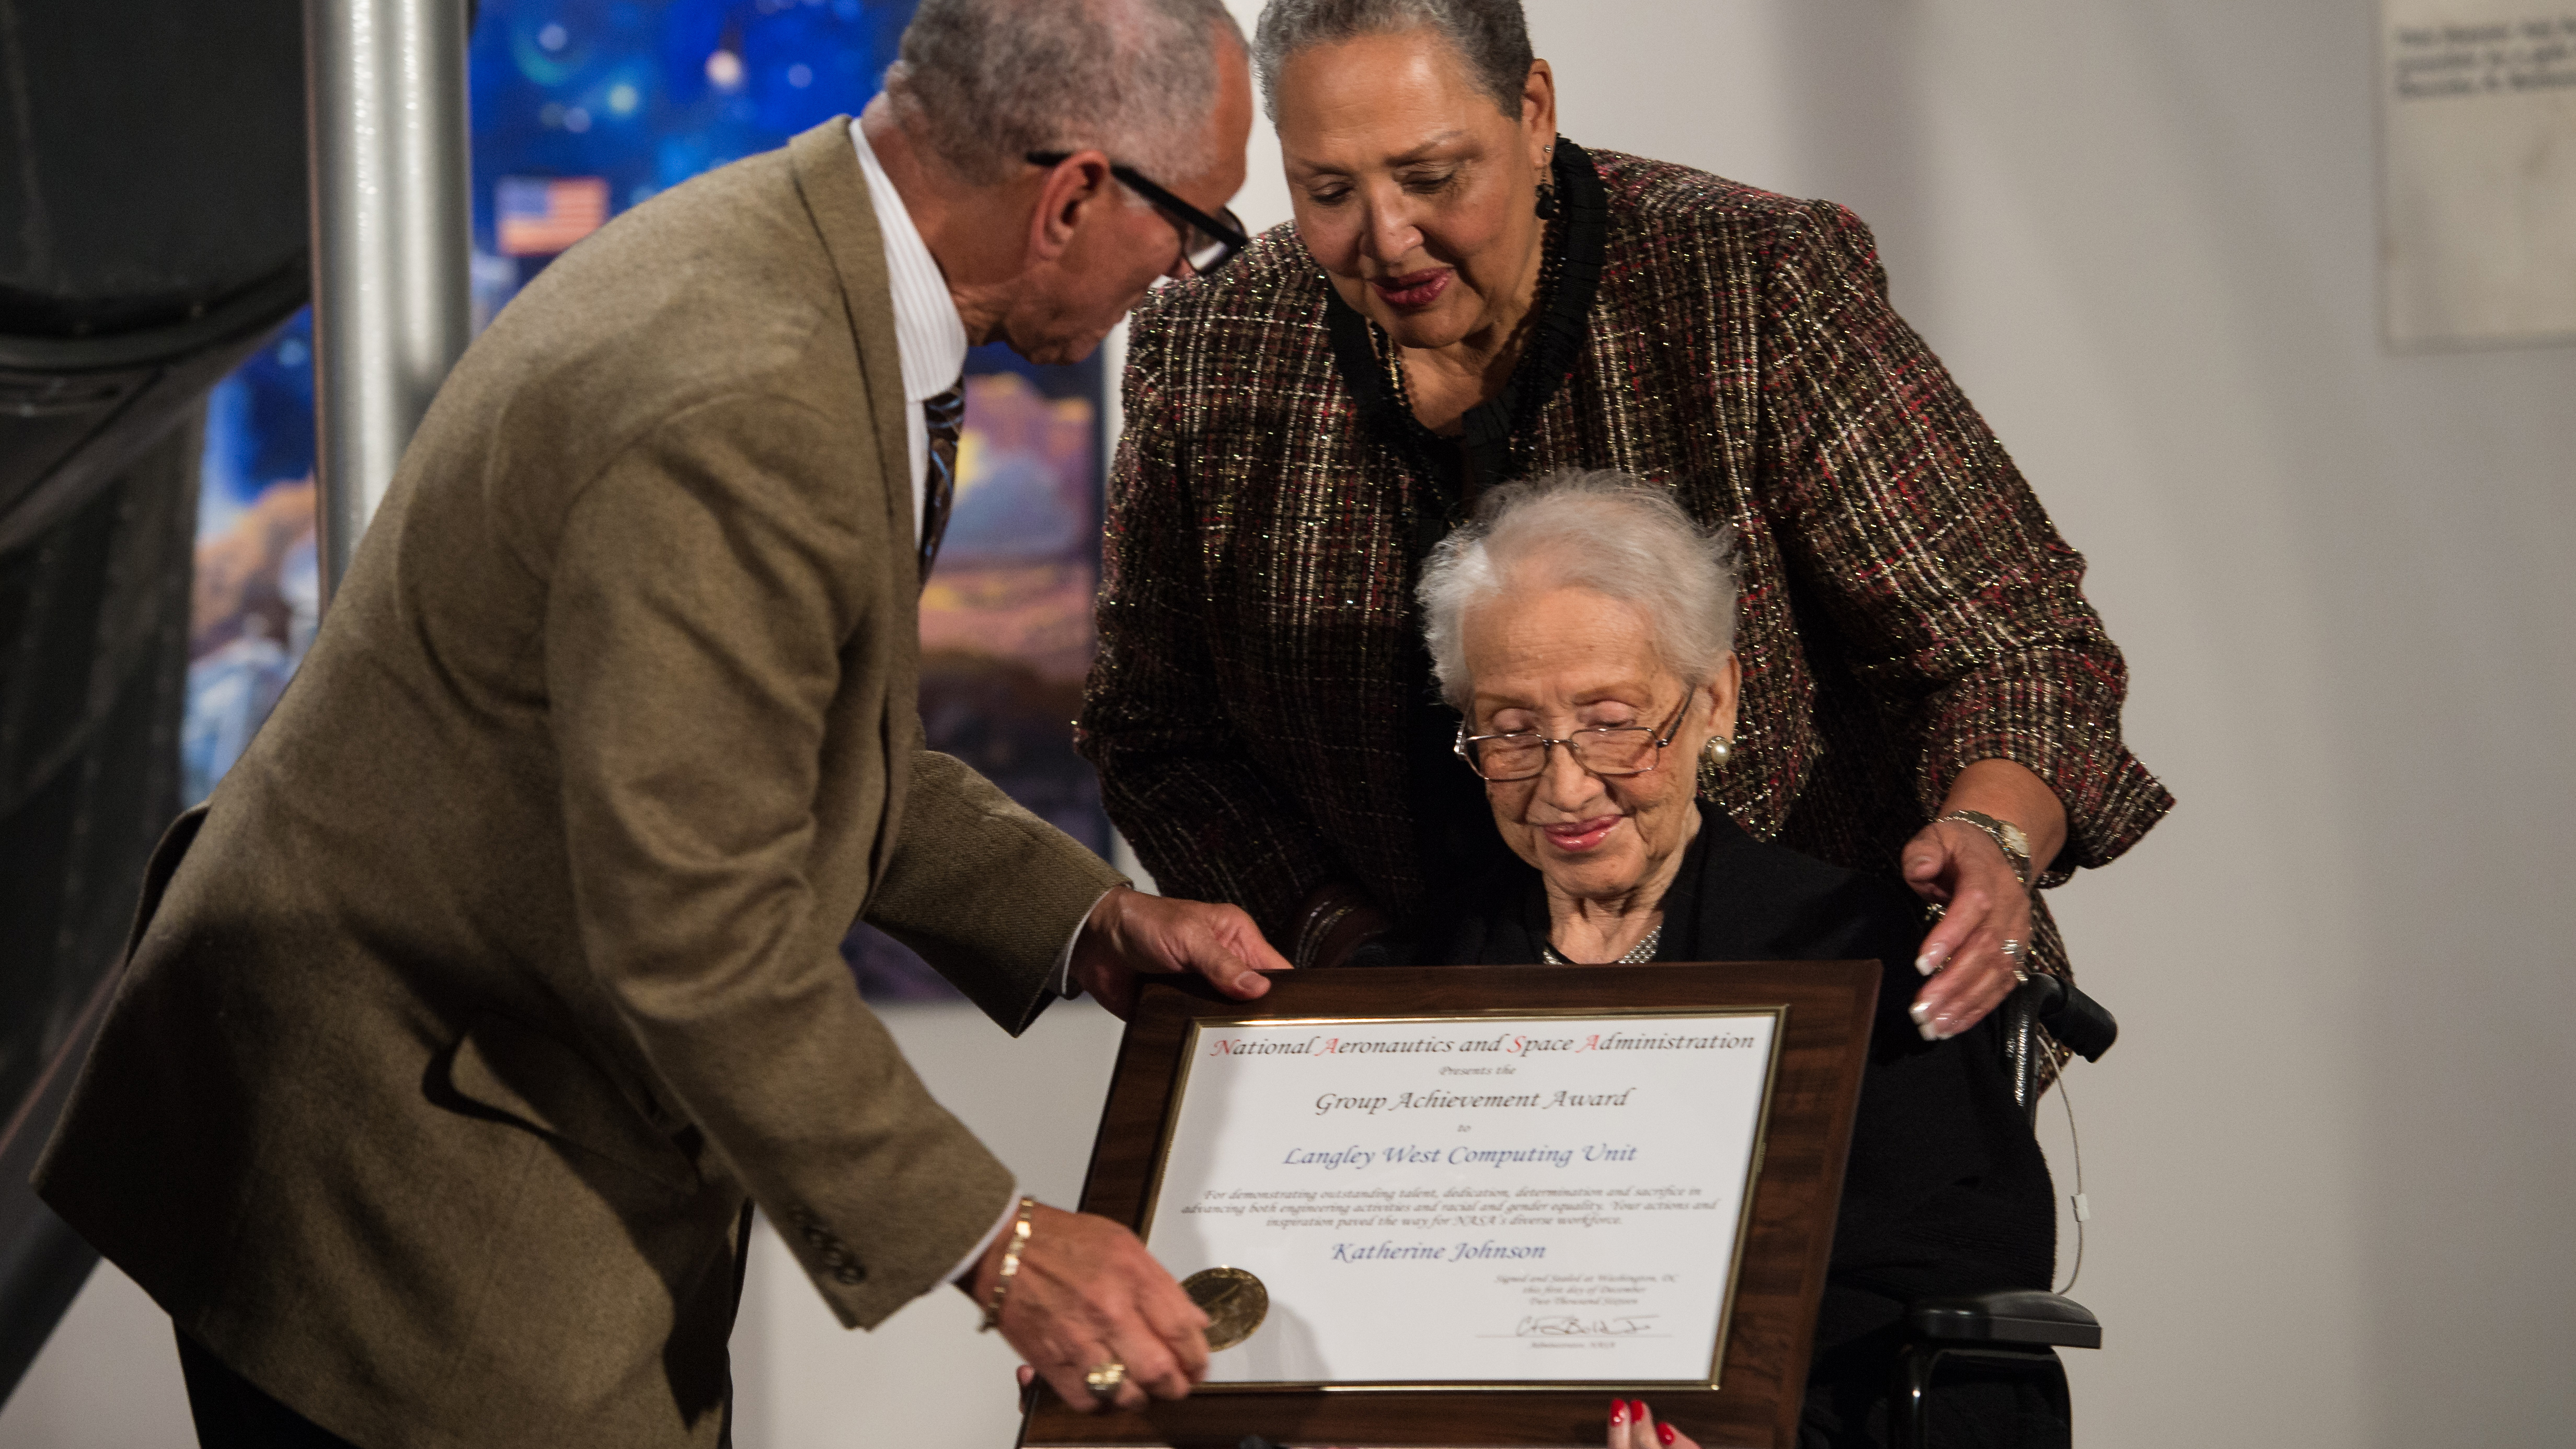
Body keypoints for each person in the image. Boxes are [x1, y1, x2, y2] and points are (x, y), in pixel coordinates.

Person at [36, 3, 1268, 1446]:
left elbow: (791, 749)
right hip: (399, 1193)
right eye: (1198, 223)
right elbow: (702, 923)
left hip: (444, 1090)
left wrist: (1086, 921)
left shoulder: (808, 258)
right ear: (1071, 194)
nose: (1188, 267)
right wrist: (998, 1241)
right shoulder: (746, 391)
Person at [1079, 0, 2170, 1046]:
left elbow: (2018, 639)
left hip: (1820, 1000)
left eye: (1431, 176)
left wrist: (1990, 837)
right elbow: (1153, 731)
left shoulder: (1752, 284)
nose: (1389, 237)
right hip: (1411, 1050)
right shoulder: (1214, 351)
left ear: (1534, 111)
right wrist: (1344, 946)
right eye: (1327, 191)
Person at [1374, 469, 2060, 1446]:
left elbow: (1946, 1312)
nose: (1566, 787)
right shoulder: (1399, 989)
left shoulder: (1856, 961)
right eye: (1515, 732)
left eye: (1612, 723)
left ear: (1717, 701)